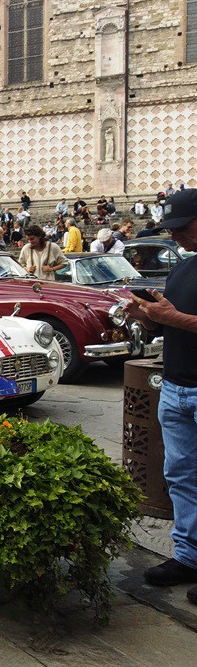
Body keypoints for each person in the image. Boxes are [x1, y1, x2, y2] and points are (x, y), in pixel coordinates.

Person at [126, 190, 197, 600]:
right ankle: (189, 556)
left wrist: (171, 317)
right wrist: (148, 318)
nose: (176, 237)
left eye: (182, 228)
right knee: (182, 477)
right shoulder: (183, 269)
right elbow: (168, 326)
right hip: (176, 388)